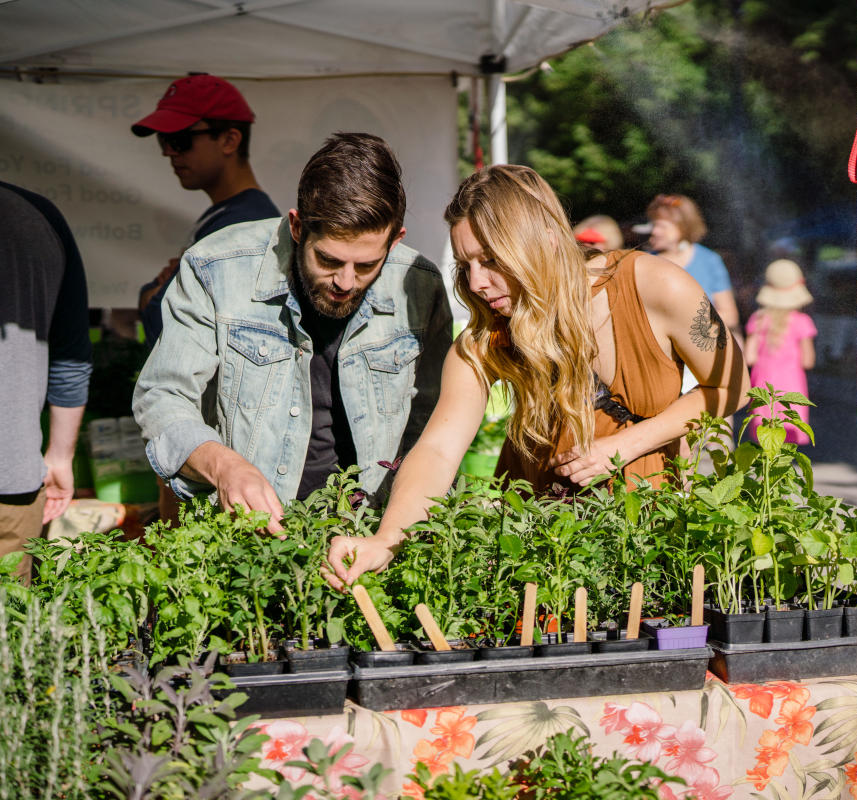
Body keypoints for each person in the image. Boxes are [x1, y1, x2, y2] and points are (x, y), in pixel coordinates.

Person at [324, 165, 748, 589]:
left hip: (649, 535)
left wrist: (622, 446)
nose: (477, 282)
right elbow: (437, 450)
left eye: (490, 260)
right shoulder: (485, 338)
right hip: (539, 554)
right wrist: (386, 540)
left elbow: (733, 386)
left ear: (543, 239)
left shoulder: (655, 286)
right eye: (466, 263)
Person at [132, 133, 452, 534]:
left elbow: (432, 427)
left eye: (368, 265)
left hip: (369, 535)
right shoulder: (216, 268)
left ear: (396, 240)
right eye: (328, 259)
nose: (346, 282)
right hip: (249, 537)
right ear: (298, 227)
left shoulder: (419, 286)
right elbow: (162, 395)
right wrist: (225, 467)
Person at [132, 74, 281, 349]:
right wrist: (153, 294)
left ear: (229, 140)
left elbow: (165, 322)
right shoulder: (230, 215)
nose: (168, 152)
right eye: (163, 140)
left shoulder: (242, 226)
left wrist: (151, 296)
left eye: (179, 139)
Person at [0, 182, 92, 583]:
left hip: (15, 482)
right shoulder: (37, 215)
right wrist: (59, 455)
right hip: (13, 482)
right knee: (10, 637)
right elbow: (71, 354)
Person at [744, 259, 817, 445]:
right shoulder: (802, 321)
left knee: (765, 437)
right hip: (791, 384)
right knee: (788, 434)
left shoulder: (758, 319)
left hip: (764, 383)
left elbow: (749, 357)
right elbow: (808, 361)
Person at [645, 194, 740, 335]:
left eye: (662, 226)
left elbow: (730, 316)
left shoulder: (709, 261)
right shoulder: (646, 262)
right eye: (654, 225)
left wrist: (687, 327)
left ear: (682, 226)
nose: (654, 232)